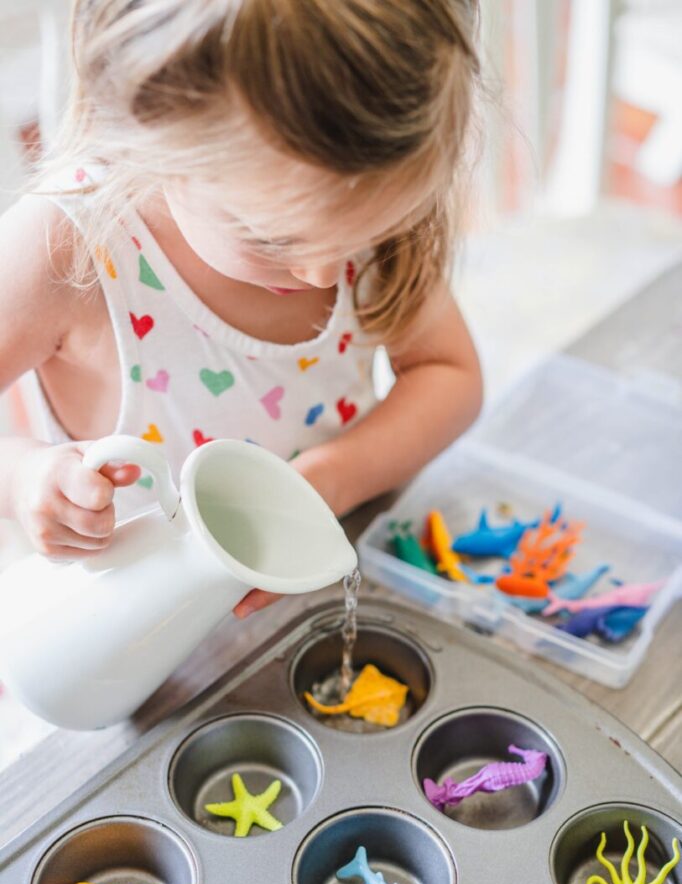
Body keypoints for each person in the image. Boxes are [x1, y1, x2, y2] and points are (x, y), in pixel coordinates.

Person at [0, 0, 483, 618]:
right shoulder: (66, 249)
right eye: (271, 239)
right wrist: (21, 480)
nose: (325, 273)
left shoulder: (358, 192)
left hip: (319, 581)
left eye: (363, 237)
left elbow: (450, 374)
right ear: (151, 134)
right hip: (132, 629)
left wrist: (328, 482)